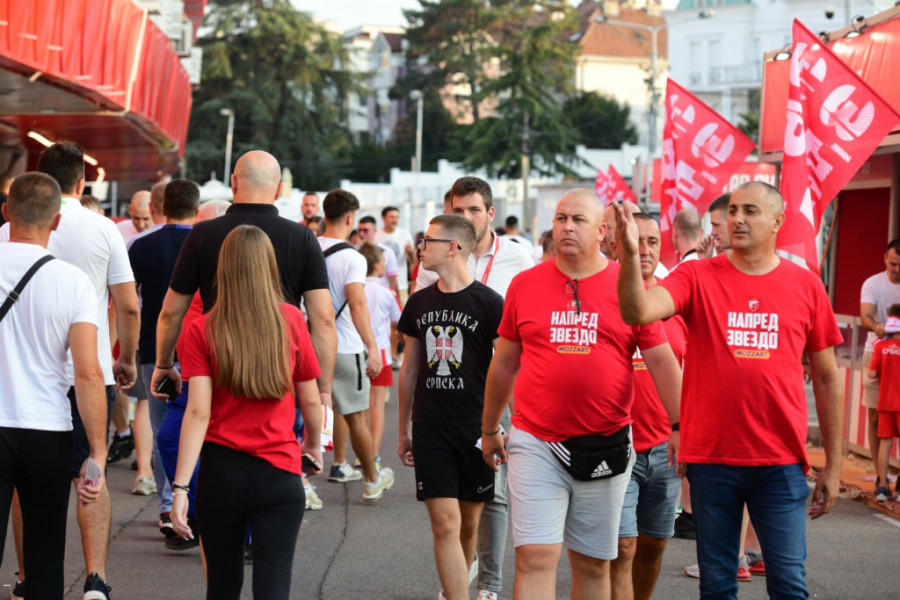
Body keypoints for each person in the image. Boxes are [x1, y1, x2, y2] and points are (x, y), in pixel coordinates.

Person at [614, 180, 844, 599]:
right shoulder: (696, 275)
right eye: (733, 210)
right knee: (718, 585)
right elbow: (637, 310)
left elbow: (828, 379)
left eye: (750, 211)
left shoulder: (807, 285)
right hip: (712, 460)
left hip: (780, 461)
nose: (737, 219)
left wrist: (835, 463)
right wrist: (630, 255)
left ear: (777, 221)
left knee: (789, 584)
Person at [480, 188, 681, 600]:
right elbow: (504, 363)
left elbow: (662, 362)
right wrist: (488, 429)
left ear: (603, 232)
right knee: (534, 556)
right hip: (536, 441)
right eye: (560, 218)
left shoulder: (628, 286)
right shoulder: (525, 284)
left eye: (578, 220)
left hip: (605, 442)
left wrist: (680, 427)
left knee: (592, 563)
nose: (566, 227)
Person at [1, 142, 140, 600]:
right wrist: (99, 448)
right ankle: (94, 577)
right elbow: (92, 362)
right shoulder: (91, 250)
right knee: (71, 504)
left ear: (7, 210)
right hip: (55, 416)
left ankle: (21, 578)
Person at [170, 225, 323, 600]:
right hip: (280, 472)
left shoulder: (201, 329)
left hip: (221, 475)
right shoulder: (291, 319)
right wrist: (313, 445)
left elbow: (197, 412)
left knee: (222, 586)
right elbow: (311, 399)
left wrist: (180, 488)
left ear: (223, 269)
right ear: (269, 266)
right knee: (274, 586)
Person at [151, 150, 336, 451]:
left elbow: (171, 312)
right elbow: (324, 321)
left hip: (219, 366)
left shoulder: (202, 234)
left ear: (234, 183)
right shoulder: (302, 238)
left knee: (216, 449)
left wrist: (164, 364)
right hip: (280, 371)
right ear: (279, 189)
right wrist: (323, 389)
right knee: (280, 448)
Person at [416, 176, 534, 600]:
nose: (464, 216)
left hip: (500, 388)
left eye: (473, 209)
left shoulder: (518, 258)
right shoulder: (431, 259)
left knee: (494, 494)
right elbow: (421, 327)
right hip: (447, 397)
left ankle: (488, 584)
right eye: (457, 209)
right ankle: (457, 584)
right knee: (457, 513)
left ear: (490, 214)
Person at [398, 214, 505, 600]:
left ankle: (453, 588)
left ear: (452, 247)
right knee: (444, 523)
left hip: (476, 427)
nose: (420, 247)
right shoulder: (418, 302)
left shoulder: (490, 303)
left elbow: (506, 368)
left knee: (468, 525)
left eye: (427, 240)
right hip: (431, 426)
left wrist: (503, 425)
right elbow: (410, 368)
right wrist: (403, 429)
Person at [608, 213, 686, 600]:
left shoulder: (677, 303)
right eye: (636, 240)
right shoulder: (603, 298)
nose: (645, 250)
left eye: (653, 241)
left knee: (654, 545)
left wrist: (684, 429)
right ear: (616, 245)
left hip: (666, 447)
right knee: (622, 547)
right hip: (616, 446)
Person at [128, 178, 200, 545]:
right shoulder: (206, 242)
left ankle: (169, 506)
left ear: (161, 208)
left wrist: (124, 351)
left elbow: (130, 303)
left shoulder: (141, 245)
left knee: (162, 432)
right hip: (200, 350)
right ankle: (195, 503)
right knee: (200, 425)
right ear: (197, 208)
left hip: (153, 350)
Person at [318, 189, 393, 503]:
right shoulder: (352, 257)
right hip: (346, 347)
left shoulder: (309, 247)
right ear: (350, 218)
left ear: (325, 214)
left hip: (311, 344)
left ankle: (303, 483)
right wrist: (372, 346)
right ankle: (372, 480)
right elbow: (357, 303)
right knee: (356, 417)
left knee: (306, 414)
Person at [860, 239, 900, 495]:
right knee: (876, 416)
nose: (896, 269)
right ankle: (881, 476)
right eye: (893, 263)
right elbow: (865, 315)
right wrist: (878, 328)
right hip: (875, 350)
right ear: (885, 258)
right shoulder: (872, 283)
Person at [360, 243, 402, 466]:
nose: (386, 265)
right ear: (377, 265)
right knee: (376, 406)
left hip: (356, 354)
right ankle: (372, 455)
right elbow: (400, 320)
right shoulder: (386, 292)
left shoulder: (354, 288)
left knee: (359, 409)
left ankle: (358, 456)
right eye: (384, 261)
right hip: (381, 355)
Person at [868, 304, 900, 502]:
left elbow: (871, 374)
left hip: (885, 402)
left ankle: (882, 488)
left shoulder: (880, 346)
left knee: (885, 443)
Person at [375, 205, 416, 305]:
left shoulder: (405, 234)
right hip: (380, 285)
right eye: (391, 217)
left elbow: (413, 261)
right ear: (383, 218)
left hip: (400, 285)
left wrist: (410, 252)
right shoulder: (376, 235)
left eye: (397, 217)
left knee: (401, 313)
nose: (395, 220)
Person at [357, 215, 401, 297]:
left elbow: (392, 280)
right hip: (359, 296)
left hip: (381, 296)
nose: (361, 233)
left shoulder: (387, 251)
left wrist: (396, 299)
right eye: (359, 230)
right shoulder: (354, 251)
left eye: (365, 230)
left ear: (375, 231)